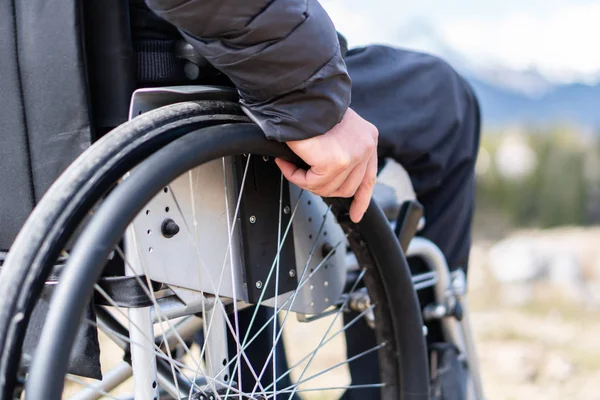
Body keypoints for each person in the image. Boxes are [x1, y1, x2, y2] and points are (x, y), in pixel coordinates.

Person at [143, 0, 480, 398]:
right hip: (200, 76)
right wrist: (311, 97)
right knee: (444, 101)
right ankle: (402, 384)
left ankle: (256, 382)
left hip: (82, 137)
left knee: (241, 177)